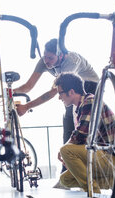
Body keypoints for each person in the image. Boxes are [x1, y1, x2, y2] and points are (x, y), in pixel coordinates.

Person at [14, 38, 99, 172]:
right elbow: (28, 86)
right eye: (45, 57)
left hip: (90, 85)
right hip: (73, 87)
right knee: (68, 122)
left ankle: (77, 167)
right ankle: (68, 169)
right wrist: (11, 91)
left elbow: (53, 92)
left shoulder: (71, 61)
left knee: (74, 122)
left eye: (50, 58)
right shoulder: (44, 61)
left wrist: (26, 106)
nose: (46, 61)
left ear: (60, 55)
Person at [54, 73, 115, 193]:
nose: (59, 97)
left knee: (66, 150)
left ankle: (94, 193)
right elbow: (83, 138)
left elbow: (81, 134)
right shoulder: (82, 106)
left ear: (71, 92)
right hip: (103, 155)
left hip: (113, 158)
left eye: (60, 93)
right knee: (65, 179)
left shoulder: (90, 101)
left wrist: (65, 152)